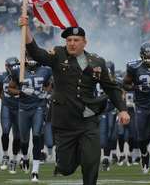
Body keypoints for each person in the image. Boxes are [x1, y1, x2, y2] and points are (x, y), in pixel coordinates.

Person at [19, 15, 130, 185]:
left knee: (92, 160)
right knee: (66, 167)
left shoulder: (96, 62)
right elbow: (36, 52)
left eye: (76, 40)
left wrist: (122, 109)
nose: (71, 43)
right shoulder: (57, 54)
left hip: (88, 120)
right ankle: (73, 157)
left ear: (84, 42)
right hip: (64, 122)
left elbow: (111, 88)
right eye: (69, 40)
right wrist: (25, 28)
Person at [123, 42, 150, 182]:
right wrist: (135, 86)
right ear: (141, 54)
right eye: (146, 54)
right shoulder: (133, 67)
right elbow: (125, 84)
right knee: (141, 139)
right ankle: (144, 154)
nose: (148, 57)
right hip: (141, 106)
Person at [8, 55, 52, 182]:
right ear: (25, 57)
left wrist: (46, 92)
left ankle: (35, 171)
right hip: (23, 108)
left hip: (38, 106)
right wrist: (21, 92)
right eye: (29, 56)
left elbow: (50, 84)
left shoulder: (46, 70)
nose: (32, 59)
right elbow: (10, 88)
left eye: (34, 56)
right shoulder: (18, 70)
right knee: (24, 139)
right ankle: (25, 157)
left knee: (37, 135)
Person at [0, 57, 21, 173]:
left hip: (20, 108)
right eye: (11, 66)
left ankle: (14, 159)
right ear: (6, 67)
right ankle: (5, 156)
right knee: (5, 132)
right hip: (7, 107)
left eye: (16, 65)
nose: (13, 68)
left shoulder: (23, 75)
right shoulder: (1, 77)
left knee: (17, 136)